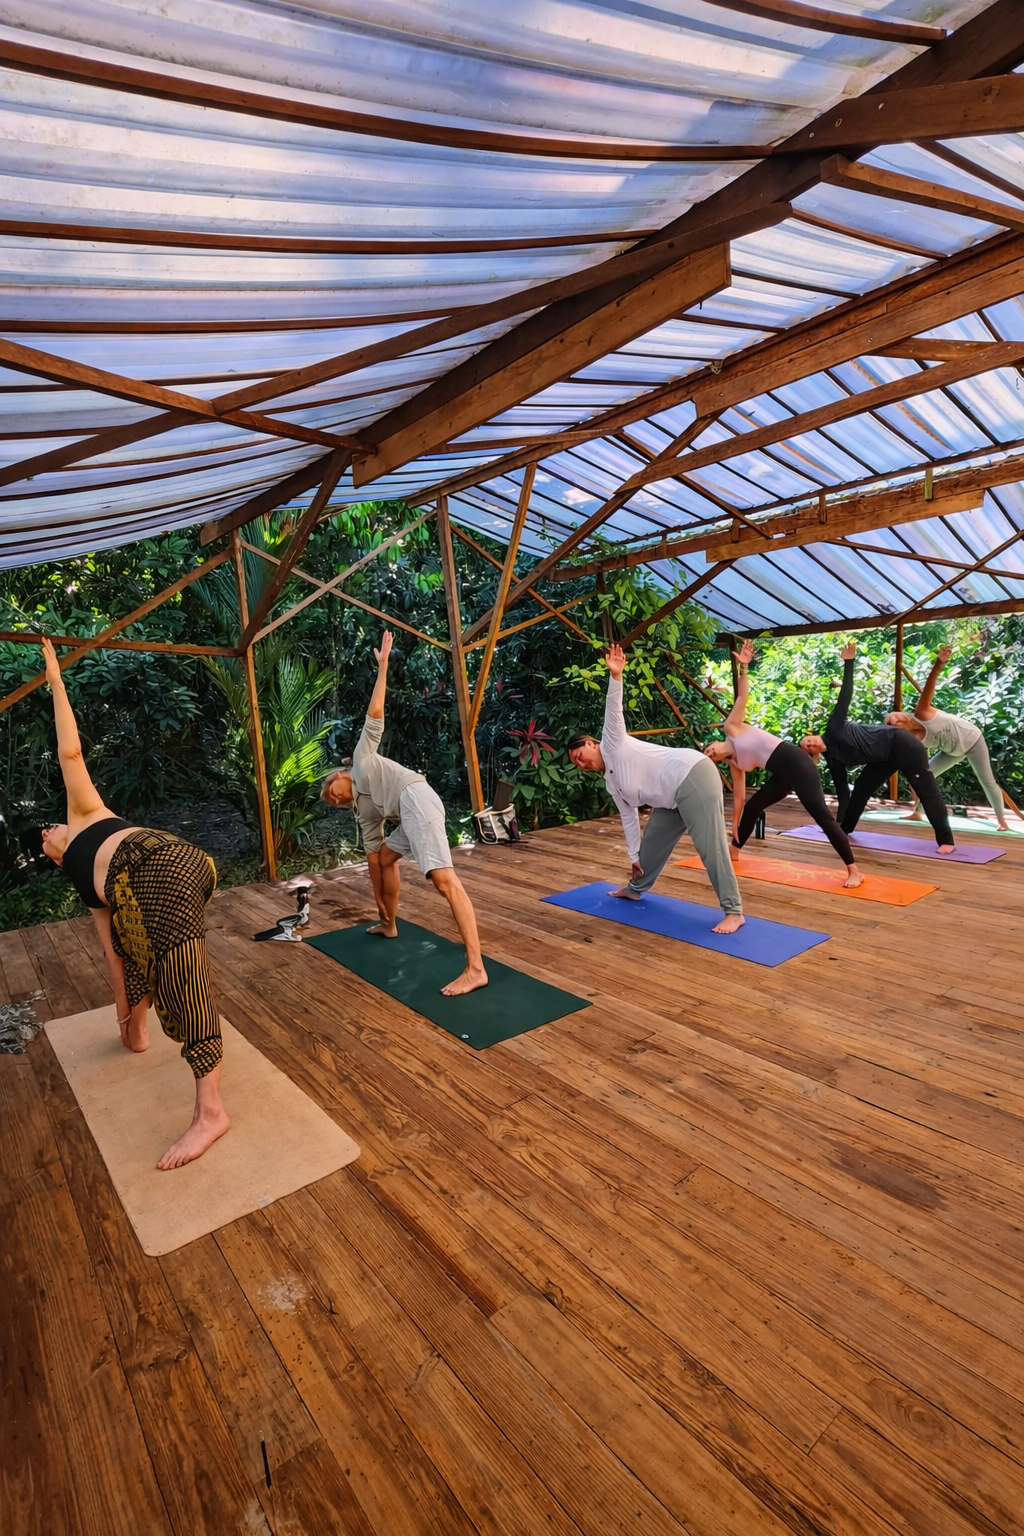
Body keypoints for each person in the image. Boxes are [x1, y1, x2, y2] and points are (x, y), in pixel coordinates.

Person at [38, 638, 228, 1170]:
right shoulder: (88, 884)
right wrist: (130, 1025)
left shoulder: (85, 813)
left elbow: (69, 751)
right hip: (184, 872)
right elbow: (115, 955)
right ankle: (144, 1027)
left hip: (164, 864)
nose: (50, 831)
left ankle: (210, 1113)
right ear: (53, 855)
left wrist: (55, 678)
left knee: (183, 977)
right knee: (142, 946)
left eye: (49, 826)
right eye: (47, 836)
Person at [321, 630, 487, 995]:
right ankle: (391, 924)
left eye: (332, 790)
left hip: (416, 798)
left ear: (342, 775)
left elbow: (375, 711)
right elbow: (372, 862)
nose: (333, 798)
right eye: (331, 802)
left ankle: (476, 968)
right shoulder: (362, 811)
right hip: (408, 813)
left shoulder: (362, 759)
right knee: (385, 857)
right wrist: (380, 908)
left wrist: (382, 667)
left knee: (445, 881)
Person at [566, 642, 744, 934]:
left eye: (580, 756)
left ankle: (734, 911)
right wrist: (633, 857)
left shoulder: (612, 742)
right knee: (651, 845)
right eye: (576, 764)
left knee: (708, 846)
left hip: (692, 775)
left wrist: (616, 675)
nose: (581, 763)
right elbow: (628, 817)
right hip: (671, 797)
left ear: (591, 744)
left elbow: (614, 710)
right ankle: (635, 889)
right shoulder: (611, 782)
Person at [704, 639, 863, 888]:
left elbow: (742, 696)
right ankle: (734, 851)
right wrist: (734, 824)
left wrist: (744, 668)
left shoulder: (731, 727)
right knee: (754, 806)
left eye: (708, 749)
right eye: (710, 756)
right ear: (717, 759)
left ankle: (853, 869)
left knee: (822, 816)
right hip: (781, 773)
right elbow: (739, 798)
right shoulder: (735, 763)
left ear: (714, 741)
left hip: (796, 762)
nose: (710, 751)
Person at [799, 640, 954, 852]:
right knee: (861, 787)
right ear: (813, 753)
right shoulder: (833, 761)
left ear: (814, 735)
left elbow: (845, 695)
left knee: (926, 790)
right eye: (807, 747)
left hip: (902, 743)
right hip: (884, 757)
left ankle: (946, 841)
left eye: (807, 739)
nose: (809, 743)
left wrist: (849, 663)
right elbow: (843, 793)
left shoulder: (833, 727)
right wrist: (837, 827)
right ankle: (845, 829)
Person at [886, 645, 1011, 831]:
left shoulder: (922, 712)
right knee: (927, 775)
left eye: (895, 722)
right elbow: (916, 768)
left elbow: (929, 686)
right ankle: (918, 812)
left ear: (903, 719)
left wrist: (939, 664)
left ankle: (1003, 822)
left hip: (972, 739)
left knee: (987, 780)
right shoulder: (911, 740)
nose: (895, 725)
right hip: (952, 751)